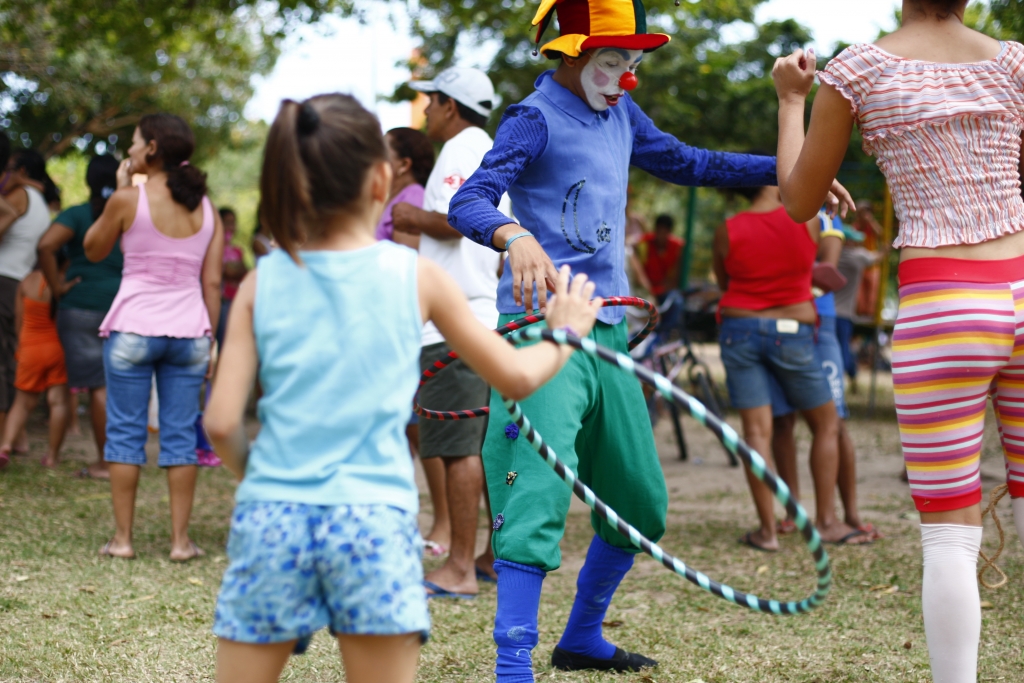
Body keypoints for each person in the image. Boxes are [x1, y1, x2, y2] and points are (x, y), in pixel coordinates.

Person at [447, 0, 853, 677]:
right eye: (614, 62)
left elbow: (692, 162)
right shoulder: (533, 118)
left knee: (640, 502)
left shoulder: (621, 115)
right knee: (536, 499)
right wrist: (512, 233)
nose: (627, 77)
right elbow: (469, 200)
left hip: (608, 335)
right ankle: (511, 664)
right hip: (543, 333)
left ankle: (580, 637)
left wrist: (788, 170)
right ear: (571, 53)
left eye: (634, 64)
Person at [202, 93, 602, 683]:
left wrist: (264, 483)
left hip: (273, 515)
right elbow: (516, 376)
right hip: (372, 521)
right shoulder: (414, 276)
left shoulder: (267, 280)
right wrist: (564, 333)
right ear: (380, 180)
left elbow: (219, 424)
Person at [772, 2, 1024, 680]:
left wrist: (791, 101)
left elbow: (798, 202)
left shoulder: (855, 72)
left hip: (945, 305)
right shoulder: (1014, 64)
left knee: (949, 534)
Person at [394, 66, 512, 596]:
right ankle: (489, 557)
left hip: (454, 323)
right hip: (482, 317)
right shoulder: (488, 148)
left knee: (457, 448)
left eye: (430, 100)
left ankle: (460, 568)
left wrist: (409, 216)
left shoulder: (458, 150)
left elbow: (456, 218)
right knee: (481, 447)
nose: (424, 111)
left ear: (448, 104)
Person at [84, 113, 224, 561]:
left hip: (133, 329)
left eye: (133, 143)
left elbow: (93, 249)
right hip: (189, 332)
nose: (127, 150)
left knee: (125, 433)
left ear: (151, 150)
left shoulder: (128, 199)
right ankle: (180, 543)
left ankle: (123, 541)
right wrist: (212, 338)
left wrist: (122, 187)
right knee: (181, 434)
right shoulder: (207, 208)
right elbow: (213, 284)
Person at [712, 186, 869, 552]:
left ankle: (767, 532)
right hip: (793, 331)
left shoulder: (728, 228)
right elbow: (825, 265)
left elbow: (725, 284)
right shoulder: (810, 222)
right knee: (827, 424)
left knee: (756, 433)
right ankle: (827, 521)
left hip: (740, 330)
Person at [769, 211, 879, 540]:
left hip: (819, 324)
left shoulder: (827, 214)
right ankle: (793, 514)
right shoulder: (772, 208)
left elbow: (824, 270)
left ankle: (848, 516)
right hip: (775, 323)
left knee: (834, 421)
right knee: (783, 420)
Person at [36, 154, 122, 480]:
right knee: (116, 386)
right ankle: (118, 457)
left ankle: (105, 463)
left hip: (81, 307)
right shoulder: (126, 215)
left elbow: (46, 245)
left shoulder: (77, 214)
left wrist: (58, 287)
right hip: (122, 309)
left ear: (88, 181)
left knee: (98, 388)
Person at [0, 148, 54, 447]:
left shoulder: (19, 196)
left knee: (4, 359)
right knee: (10, 356)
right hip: (18, 280)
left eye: (8, 169)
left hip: (4, 280)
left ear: (21, 172)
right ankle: (15, 435)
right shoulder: (41, 201)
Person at [0, 258, 71, 469]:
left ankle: (5, 446)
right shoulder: (64, 282)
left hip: (29, 349)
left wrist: (21, 346)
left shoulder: (28, 280)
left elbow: (18, 319)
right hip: (57, 348)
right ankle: (51, 456)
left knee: (21, 403)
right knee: (58, 401)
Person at [835, 225, 884, 384]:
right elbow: (878, 257)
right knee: (844, 348)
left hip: (827, 312)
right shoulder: (857, 257)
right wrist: (886, 246)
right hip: (845, 314)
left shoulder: (833, 255)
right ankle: (850, 376)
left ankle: (841, 376)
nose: (857, 244)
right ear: (848, 242)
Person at [378, 127, 434, 250]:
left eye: (381, 151)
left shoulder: (413, 198)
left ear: (404, 165)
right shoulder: (395, 197)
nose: (375, 156)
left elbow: (407, 260)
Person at [634, 214, 684, 303]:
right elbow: (639, 271)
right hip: (645, 290)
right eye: (659, 231)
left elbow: (675, 277)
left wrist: (663, 289)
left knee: (676, 302)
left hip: (664, 290)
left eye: (664, 232)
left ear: (669, 232)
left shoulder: (677, 247)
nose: (661, 235)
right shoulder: (644, 243)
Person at [218, 208, 247, 351]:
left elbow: (244, 272)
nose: (231, 227)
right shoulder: (214, 250)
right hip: (220, 302)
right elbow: (228, 271)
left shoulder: (237, 251)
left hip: (234, 301)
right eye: (227, 222)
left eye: (233, 223)